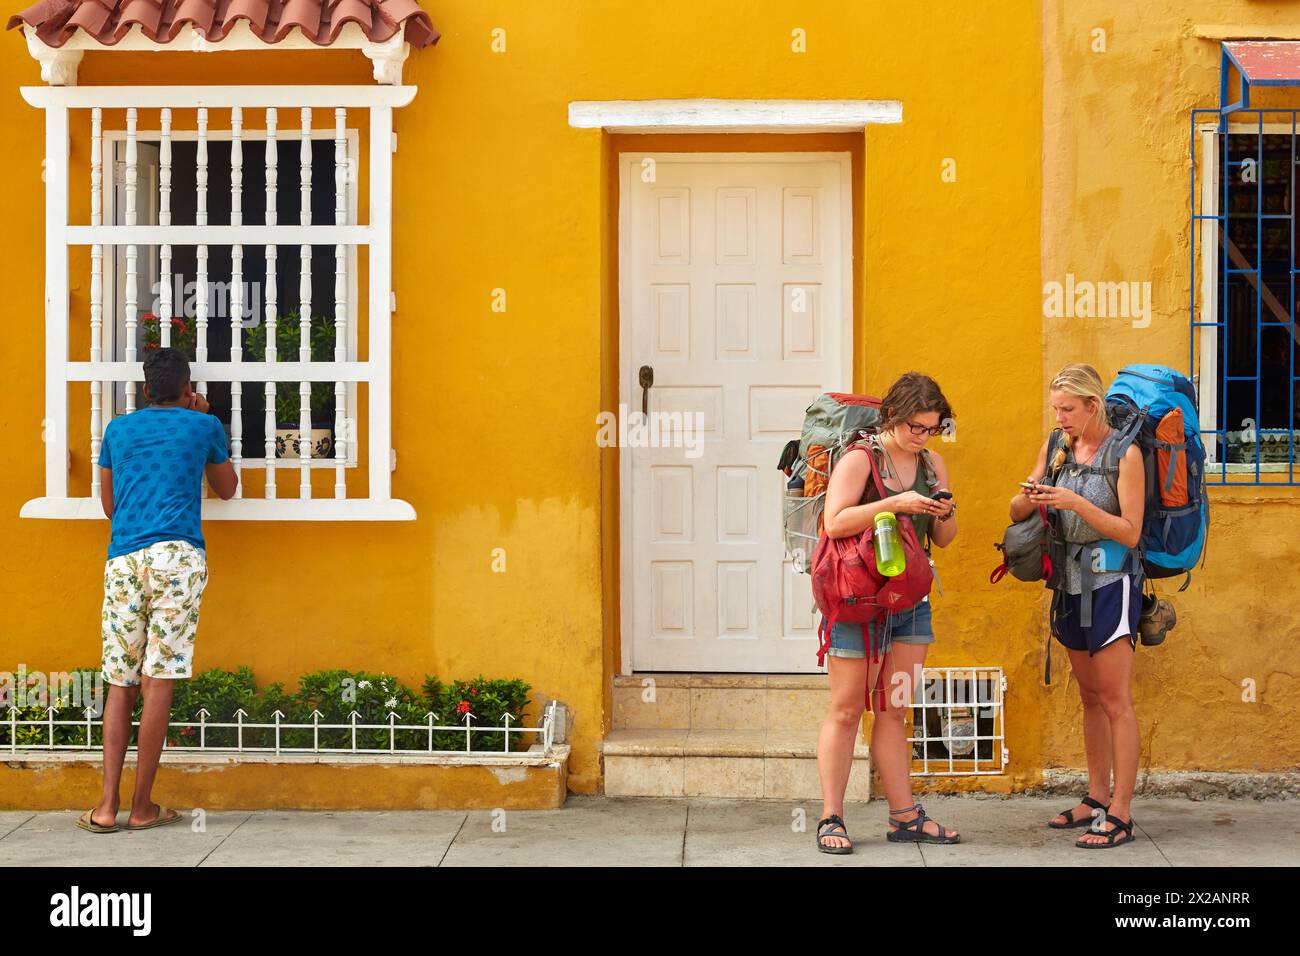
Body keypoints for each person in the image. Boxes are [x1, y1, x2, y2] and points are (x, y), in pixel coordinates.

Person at [77, 348, 238, 833]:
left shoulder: (117, 431)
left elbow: (109, 505)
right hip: (178, 560)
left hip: (125, 559)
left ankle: (105, 808)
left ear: (146, 389)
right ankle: (142, 808)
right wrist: (206, 415)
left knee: (119, 682)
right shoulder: (203, 426)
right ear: (188, 388)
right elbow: (227, 488)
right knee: (158, 679)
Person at [814, 372, 960, 853]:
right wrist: (895, 503)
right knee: (847, 708)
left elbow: (944, 540)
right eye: (915, 426)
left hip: (909, 607)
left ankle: (904, 816)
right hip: (856, 603)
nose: (921, 437)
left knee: (894, 710)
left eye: (930, 428)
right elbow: (833, 522)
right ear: (893, 416)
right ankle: (831, 816)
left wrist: (943, 511)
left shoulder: (933, 463)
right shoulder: (861, 458)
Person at [1010, 364, 1144, 848]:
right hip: (1067, 583)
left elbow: (1130, 532)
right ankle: (1096, 797)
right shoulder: (1056, 447)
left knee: (1115, 700)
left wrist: (1074, 501)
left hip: (1111, 583)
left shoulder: (1125, 454)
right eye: (1056, 409)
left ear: (1093, 405)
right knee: (1089, 699)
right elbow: (1016, 508)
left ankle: (1123, 813)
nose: (1060, 417)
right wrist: (1028, 498)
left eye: (1068, 409)